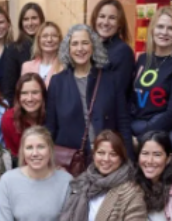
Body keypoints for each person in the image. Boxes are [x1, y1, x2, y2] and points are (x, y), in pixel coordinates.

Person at [46, 24, 133, 158]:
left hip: (107, 158)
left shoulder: (110, 80)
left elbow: (123, 123)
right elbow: (50, 128)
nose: (80, 48)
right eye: (74, 44)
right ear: (68, 49)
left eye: (85, 43)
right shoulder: (57, 82)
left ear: (93, 47)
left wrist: (129, 161)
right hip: (71, 162)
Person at [132, 7, 172, 144]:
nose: (164, 32)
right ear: (152, 29)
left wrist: (142, 138)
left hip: (160, 135)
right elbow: (132, 98)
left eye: (171, 28)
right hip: (134, 129)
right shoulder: (143, 59)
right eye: (160, 26)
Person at [90, 0, 134, 104]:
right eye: (102, 16)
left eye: (112, 18)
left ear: (120, 23)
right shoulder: (90, 47)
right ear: (95, 19)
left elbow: (116, 93)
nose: (105, 22)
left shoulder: (123, 52)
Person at [1, 73, 47, 159]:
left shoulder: (53, 116)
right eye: (24, 93)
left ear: (43, 95)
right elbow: (13, 156)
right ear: (18, 97)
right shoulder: (9, 119)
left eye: (35, 92)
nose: (29, 98)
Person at [20, 21, 64, 87]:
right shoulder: (27, 67)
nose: (49, 40)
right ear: (38, 40)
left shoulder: (65, 67)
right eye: (45, 36)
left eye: (54, 36)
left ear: (60, 40)